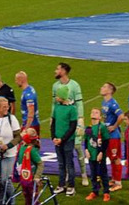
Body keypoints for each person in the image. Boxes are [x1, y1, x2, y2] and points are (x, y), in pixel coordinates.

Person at [52, 63, 83, 195]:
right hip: (58, 139)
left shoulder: (72, 109)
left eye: (57, 68)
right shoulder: (57, 107)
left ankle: (71, 185)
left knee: (69, 163)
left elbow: (72, 126)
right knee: (61, 163)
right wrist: (54, 137)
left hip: (67, 139)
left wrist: (62, 139)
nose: (56, 97)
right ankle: (61, 184)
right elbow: (53, 122)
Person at [84, 107, 112, 202]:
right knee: (93, 174)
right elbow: (86, 140)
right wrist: (86, 150)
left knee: (103, 173)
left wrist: (101, 152)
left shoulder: (102, 127)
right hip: (91, 155)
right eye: (92, 112)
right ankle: (95, 191)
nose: (94, 114)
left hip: (100, 155)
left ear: (100, 117)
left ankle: (106, 192)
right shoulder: (88, 128)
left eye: (96, 112)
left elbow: (106, 141)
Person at [99, 82, 123, 191]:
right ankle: (114, 179)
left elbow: (121, 116)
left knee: (115, 158)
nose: (101, 88)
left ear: (110, 91)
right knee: (111, 158)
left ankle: (118, 183)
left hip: (113, 136)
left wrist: (114, 126)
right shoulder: (104, 102)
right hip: (107, 135)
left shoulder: (113, 103)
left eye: (104, 87)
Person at [16, 127, 43, 205]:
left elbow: (40, 163)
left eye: (25, 133)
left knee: (33, 196)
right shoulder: (22, 146)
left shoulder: (32, 150)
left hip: (31, 177)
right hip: (24, 176)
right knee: (26, 195)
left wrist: (37, 176)